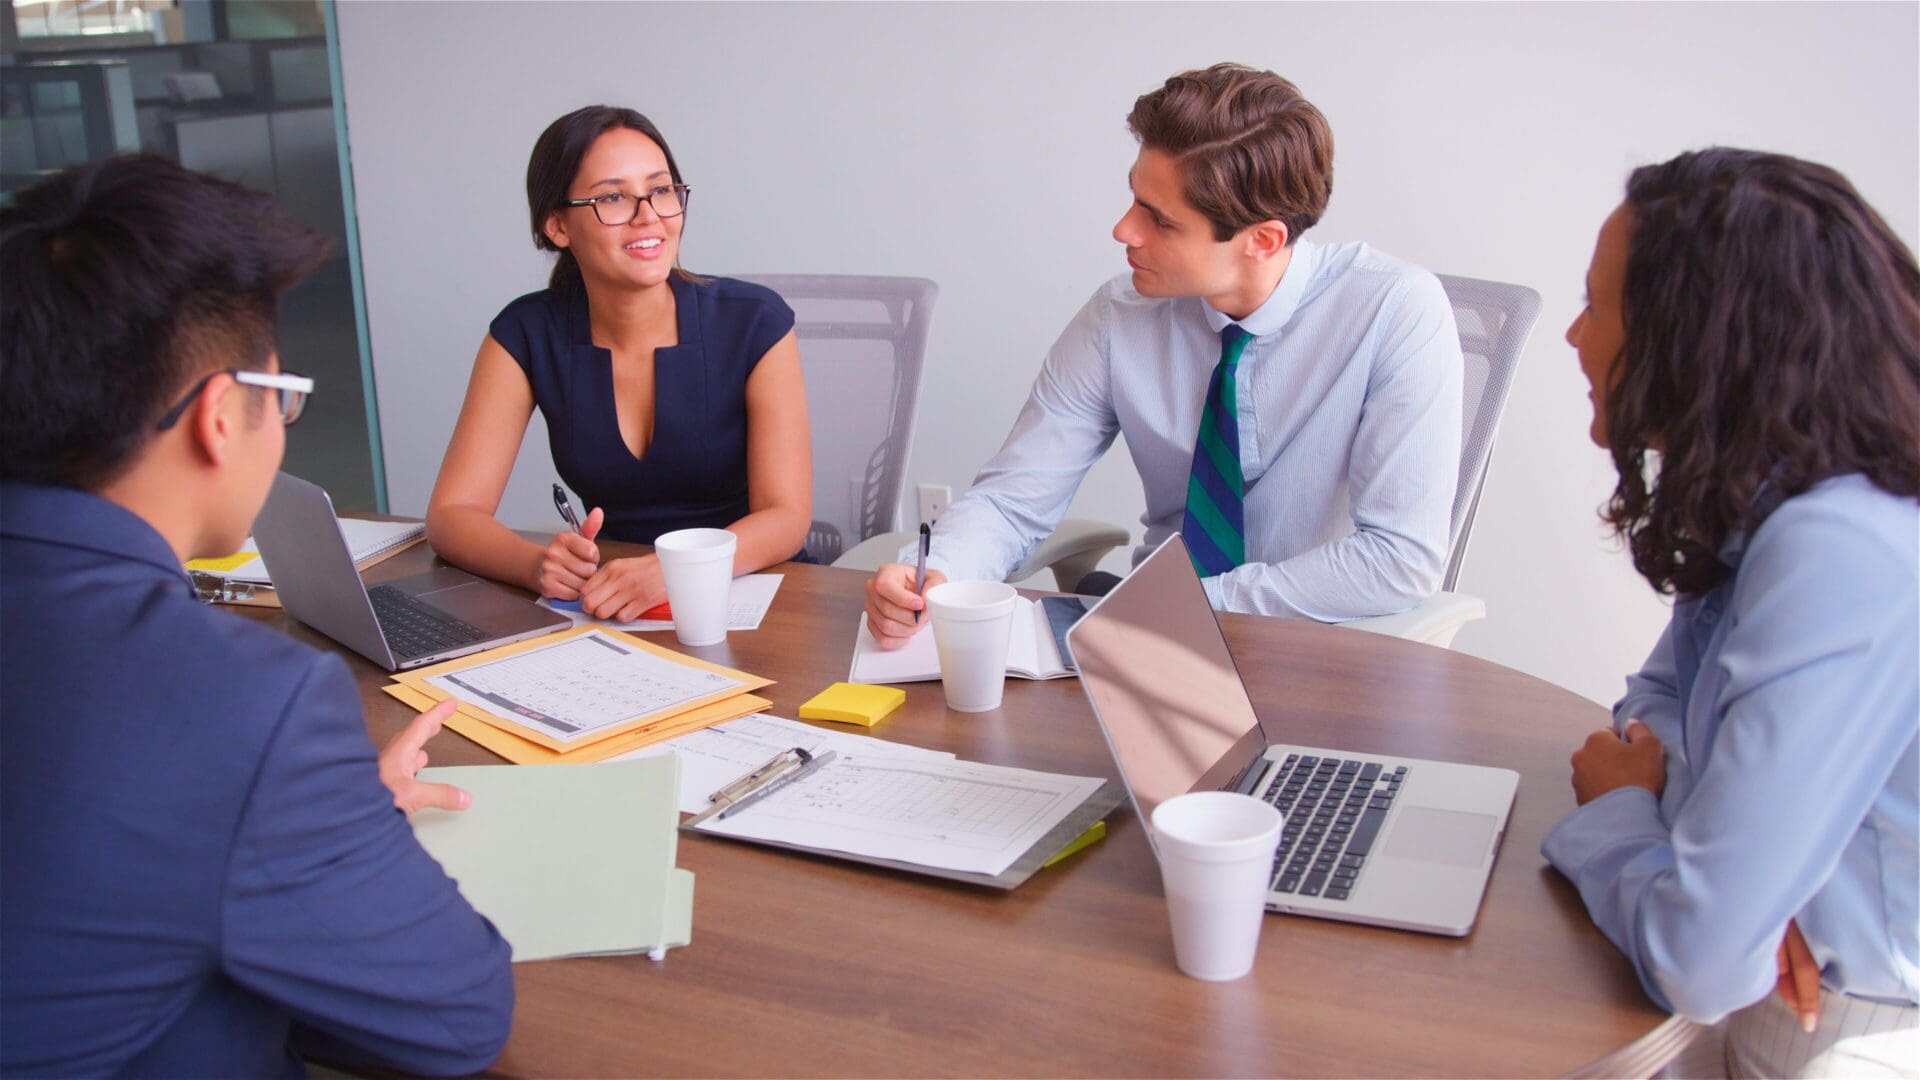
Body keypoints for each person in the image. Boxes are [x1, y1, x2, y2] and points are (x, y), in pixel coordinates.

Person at [0, 155, 513, 1076]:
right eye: (281, 398)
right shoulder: (239, 703)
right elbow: (458, 1018)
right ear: (219, 418)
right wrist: (333, 824)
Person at [863, 62, 1462, 646]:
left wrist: (1191, 606)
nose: (1123, 231)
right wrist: (941, 573)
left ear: (1263, 240)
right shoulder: (1118, 318)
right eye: (1133, 200)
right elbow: (1014, 499)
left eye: (1161, 221)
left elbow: (1398, 557)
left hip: (1320, 650)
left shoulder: (1393, 309)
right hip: (1151, 648)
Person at [1544, 148, 1919, 1077]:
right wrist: (1742, 881)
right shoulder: (1773, 499)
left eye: (1599, 304)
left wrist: (1626, 813)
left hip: (1837, 1028)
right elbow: (1652, 704)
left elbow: (1701, 960)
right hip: (1783, 993)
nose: (1573, 336)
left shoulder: (1842, 546)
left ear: (1696, 337)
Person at [427, 105, 812, 623]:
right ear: (558, 226)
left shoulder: (755, 322)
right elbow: (453, 514)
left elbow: (786, 517)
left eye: (660, 190)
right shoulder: (524, 334)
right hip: (612, 603)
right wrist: (537, 564)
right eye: (612, 197)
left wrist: (674, 568)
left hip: (755, 595)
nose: (649, 214)